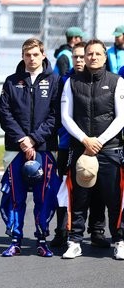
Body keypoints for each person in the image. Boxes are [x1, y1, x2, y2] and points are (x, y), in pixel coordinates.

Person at [60, 38, 124, 259]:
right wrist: (85, 140)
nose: (93, 57)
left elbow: (121, 117)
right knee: (79, 198)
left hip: (110, 149)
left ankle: (119, 240)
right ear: (83, 56)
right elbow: (65, 117)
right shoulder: (71, 82)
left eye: (98, 54)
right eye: (89, 54)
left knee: (114, 198)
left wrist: (100, 141)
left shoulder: (117, 82)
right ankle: (74, 241)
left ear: (105, 57)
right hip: (81, 148)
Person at [0, 38, 61, 257]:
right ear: (22, 56)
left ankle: (42, 239)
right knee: (15, 196)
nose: (31, 58)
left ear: (43, 55)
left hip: (44, 149)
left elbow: (56, 116)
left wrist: (34, 139)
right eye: (27, 55)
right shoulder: (11, 81)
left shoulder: (55, 80)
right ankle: (15, 239)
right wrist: (23, 140)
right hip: (16, 149)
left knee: (44, 196)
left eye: (35, 54)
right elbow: (5, 115)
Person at [51, 43, 109, 250]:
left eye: (81, 57)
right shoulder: (65, 81)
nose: (78, 60)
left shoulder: (103, 80)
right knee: (67, 190)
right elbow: (59, 115)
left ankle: (97, 230)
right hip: (69, 145)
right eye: (75, 57)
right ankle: (63, 231)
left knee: (98, 189)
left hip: (97, 145)